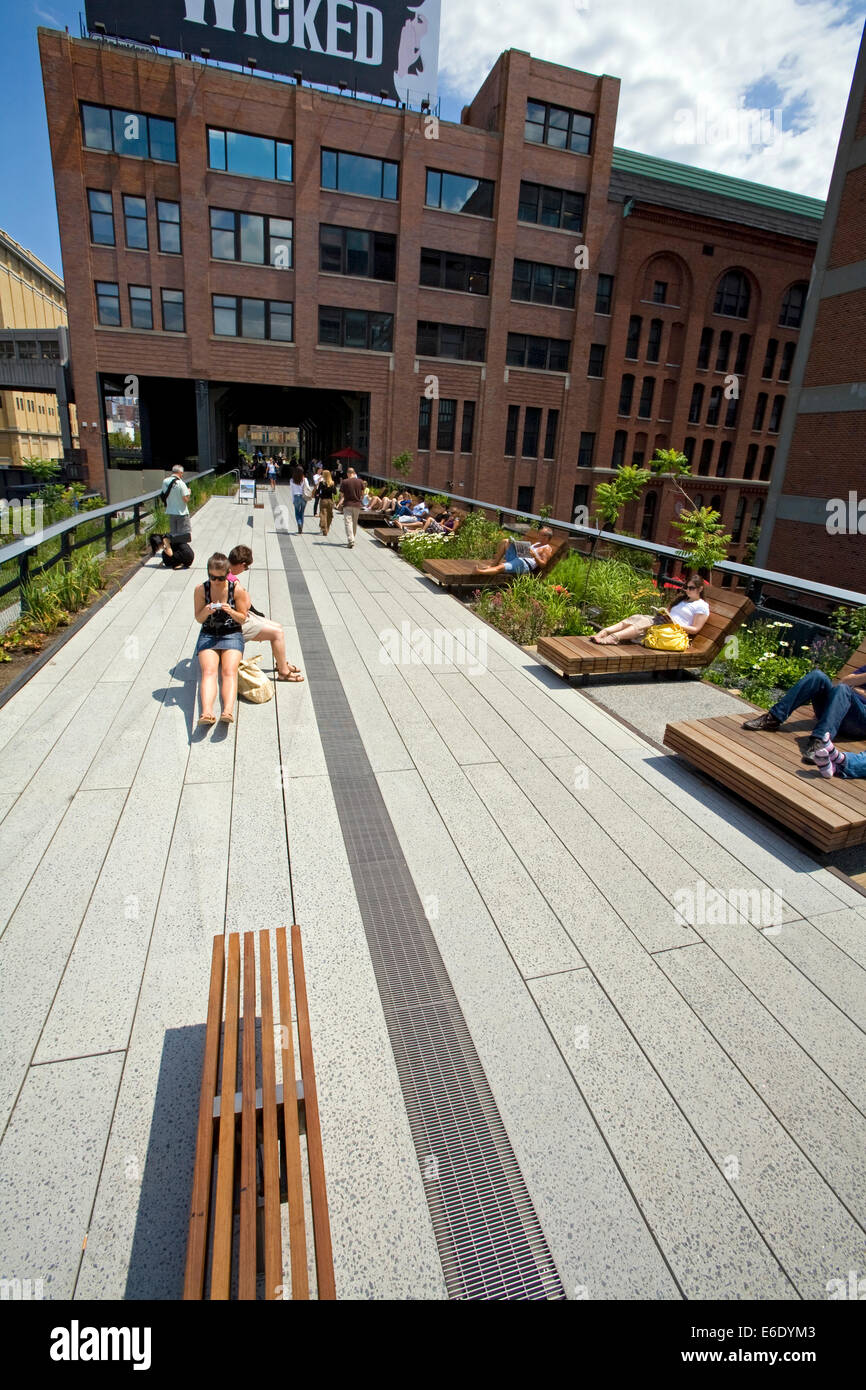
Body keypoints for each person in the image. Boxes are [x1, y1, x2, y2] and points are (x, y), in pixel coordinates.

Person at [742, 659, 866, 763]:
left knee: (843, 690)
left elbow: (846, 687)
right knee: (818, 676)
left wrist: (854, 688)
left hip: (859, 722)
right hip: (838, 708)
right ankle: (773, 718)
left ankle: (820, 742)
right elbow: (844, 681)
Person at [227, 545, 304, 682]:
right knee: (277, 633)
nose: (245, 570)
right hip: (234, 623)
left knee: (278, 626)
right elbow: (246, 605)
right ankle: (283, 672)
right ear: (242, 564)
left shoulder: (224, 570)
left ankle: (281, 663)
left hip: (233, 617)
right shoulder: (234, 582)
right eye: (246, 568)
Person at [194, 552, 250, 726]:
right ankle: (207, 712)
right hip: (209, 633)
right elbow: (198, 618)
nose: (215, 581)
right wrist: (207, 610)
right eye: (212, 577)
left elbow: (243, 618)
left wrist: (231, 611)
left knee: (228, 671)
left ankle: (227, 711)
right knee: (209, 671)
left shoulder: (237, 589)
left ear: (227, 574)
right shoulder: (201, 589)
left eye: (219, 578)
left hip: (232, 633)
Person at [591, 575, 710, 646]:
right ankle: (605, 632)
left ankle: (613, 638)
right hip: (664, 623)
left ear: (700, 589)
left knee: (644, 623)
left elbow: (695, 629)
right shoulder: (682, 599)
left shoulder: (701, 606)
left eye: (691, 588)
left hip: (674, 631)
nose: (687, 590)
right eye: (686, 587)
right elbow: (668, 612)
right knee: (637, 617)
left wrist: (674, 624)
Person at [477, 527, 555, 576]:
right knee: (506, 541)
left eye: (541, 534)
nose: (539, 536)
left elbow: (543, 565)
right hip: (519, 558)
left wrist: (534, 555)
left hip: (524, 564)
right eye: (540, 534)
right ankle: (493, 565)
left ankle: (480, 572)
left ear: (547, 537)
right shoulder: (537, 544)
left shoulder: (546, 549)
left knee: (501, 567)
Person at [337, 466, 366, 548]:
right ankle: (353, 538)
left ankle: (351, 539)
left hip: (347, 504)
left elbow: (342, 494)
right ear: (354, 473)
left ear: (348, 474)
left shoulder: (344, 482)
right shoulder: (360, 481)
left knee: (348, 522)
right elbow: (362, 494)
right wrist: (359, 498)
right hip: (357, 505)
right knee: (354, 522)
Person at [161, 465, 191, 540]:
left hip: (171, 511)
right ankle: (182, 550)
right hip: (182, 512)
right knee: (183, 535)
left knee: (173, 534)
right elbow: (185, 499)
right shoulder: (181, 483)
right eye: (182, 473)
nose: (182, 475)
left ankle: (174, 549)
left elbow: (165, 494)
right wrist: (189, 493)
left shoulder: (165, 481)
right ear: (180, 472)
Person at [316, 468, 337, 535]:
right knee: (329, 515)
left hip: (323, 500)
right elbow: (335, 492)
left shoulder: (322, 483)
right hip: (330, 501)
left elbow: (317, 492)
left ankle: (323, 529)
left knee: (323, 515)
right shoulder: (332, 483)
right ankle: (327, 529)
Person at [289, 463, 307, 532]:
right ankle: (301, 527)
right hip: (303, 497)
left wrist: (293, 500)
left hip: (296, 496)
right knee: (302, 512)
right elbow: (307, 488)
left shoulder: (292, 480)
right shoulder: (305, 479)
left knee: (297, 512)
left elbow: (292, 491)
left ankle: (299, 523)